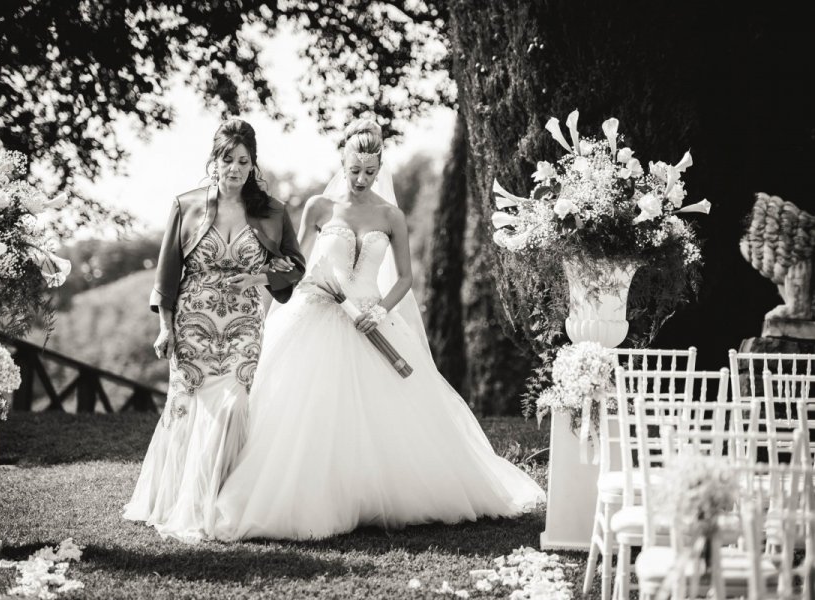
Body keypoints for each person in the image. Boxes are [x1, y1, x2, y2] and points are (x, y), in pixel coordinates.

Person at [211, 118, 544, 541]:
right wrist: (305, 285)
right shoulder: (318, 208)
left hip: (371, 316)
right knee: (307, 408)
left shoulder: (391, 216)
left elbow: (405, 278)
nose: (362, 178)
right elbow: (294, 265)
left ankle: (378, 492)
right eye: (355, 170)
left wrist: (379, 310)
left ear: (379, 166)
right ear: (343, 162)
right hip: (316, 314)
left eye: (370, 171)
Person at [123, 118, 305, 542]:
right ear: (214, 161)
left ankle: (219, 501)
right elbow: (167, 276)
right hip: (192, 325)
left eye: (244, 161)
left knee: (234, 405)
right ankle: (174, 501)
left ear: (253, 165)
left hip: (243, 323)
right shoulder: (185, 205)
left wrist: (260, 278)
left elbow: (295, 266)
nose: (235, 168)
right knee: (185, 413)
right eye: (228, 159)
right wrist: (164, 328)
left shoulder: (273, 212)